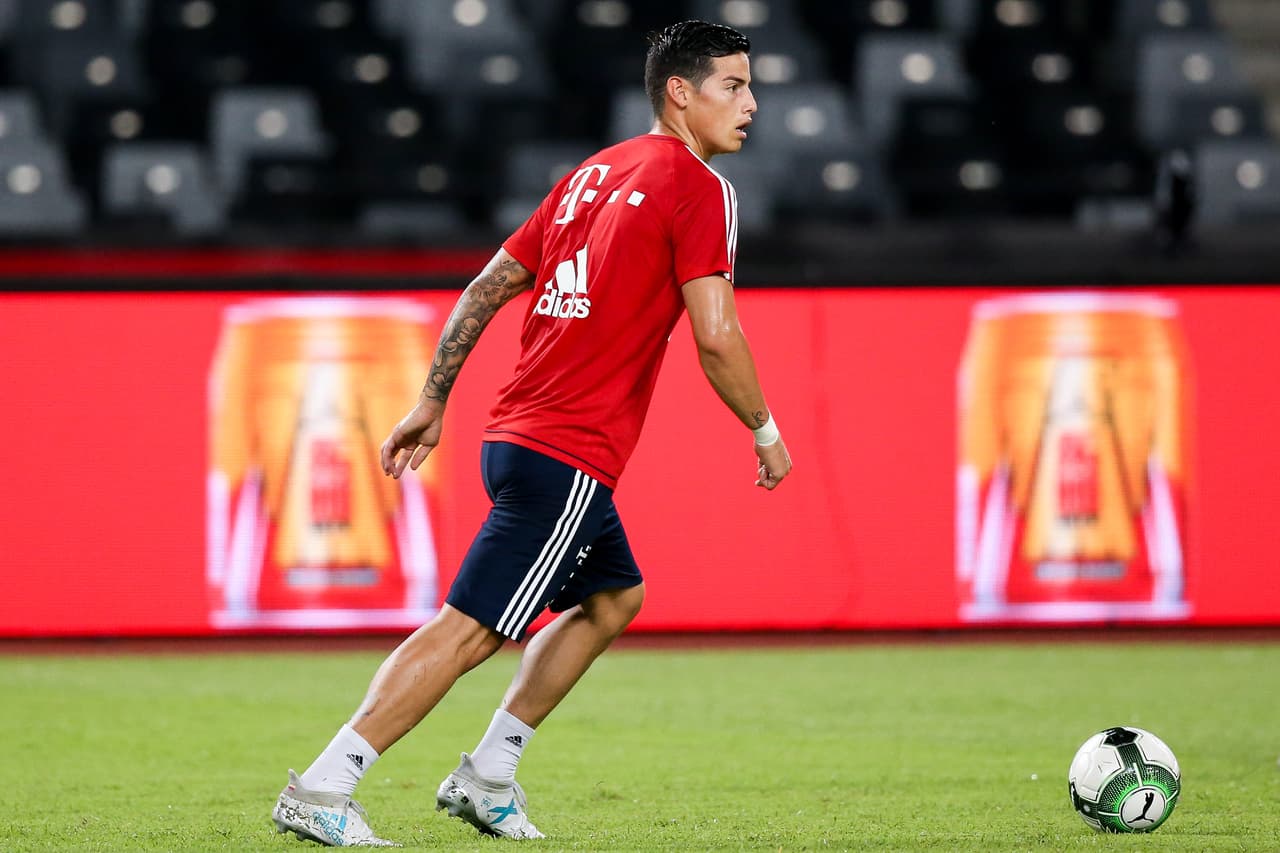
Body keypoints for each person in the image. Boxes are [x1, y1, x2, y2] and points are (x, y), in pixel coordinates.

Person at [271, 19, 791, 847]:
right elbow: (717, 334)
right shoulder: (698, 187)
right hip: (568, 451)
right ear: (679, 93)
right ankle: (326, 783)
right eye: (734, 85)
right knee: (471, 626)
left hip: (514, 433)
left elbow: (491, 281)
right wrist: (764, 428)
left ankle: (488, 774)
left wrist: (436, 397)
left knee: (615, 596)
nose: (752, 103)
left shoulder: (592, 172)